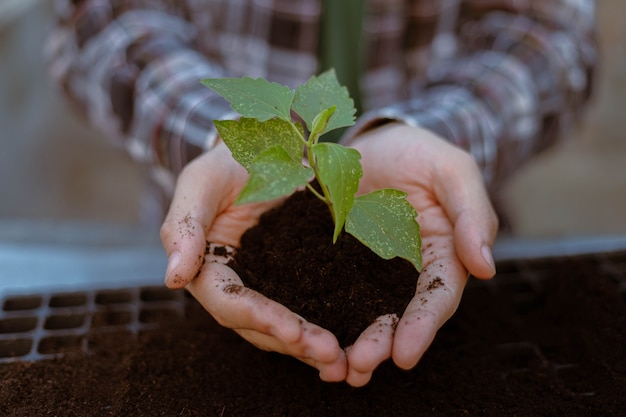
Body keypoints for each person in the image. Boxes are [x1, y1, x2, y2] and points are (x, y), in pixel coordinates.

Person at [47, 0, 597, 387]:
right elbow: (101, 17)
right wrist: (214, 138)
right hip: (211, 240)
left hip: (445, 236)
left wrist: (440, 136)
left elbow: (551, 31)